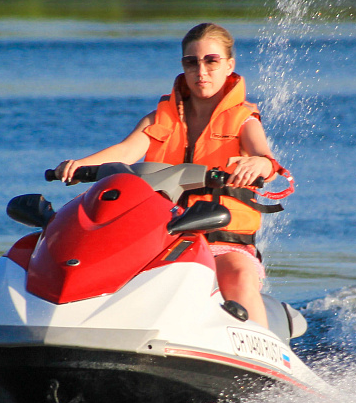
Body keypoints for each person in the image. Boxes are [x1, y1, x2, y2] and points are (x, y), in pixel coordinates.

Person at [53, 22, 283, 325]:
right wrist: (79, 165)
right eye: (192, 62)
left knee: (238, 277)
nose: (201, 71)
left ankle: (260, 365)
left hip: (223, 240)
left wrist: (260, 165)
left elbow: (266, 160)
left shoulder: (244, 121)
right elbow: (125, 152)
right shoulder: (161, 117)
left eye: (211, 61)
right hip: (164, 234)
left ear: (229, 65)